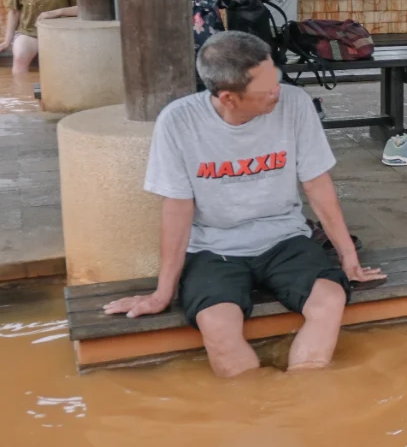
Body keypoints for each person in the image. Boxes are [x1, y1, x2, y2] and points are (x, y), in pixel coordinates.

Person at [102, 32, 384, 377]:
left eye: (275, 78)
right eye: (265, 88)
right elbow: (177, 210)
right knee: (217, 325)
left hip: (284, 238)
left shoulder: (294, 104)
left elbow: (317, 185)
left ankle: (304, 398)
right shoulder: (178, 122)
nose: (277, 91)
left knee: (329, 301)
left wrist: (348, 257)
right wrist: (163, 292)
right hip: (213, 248)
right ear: (229, 98)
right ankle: (253, 409)